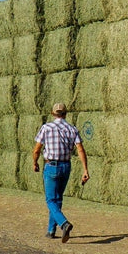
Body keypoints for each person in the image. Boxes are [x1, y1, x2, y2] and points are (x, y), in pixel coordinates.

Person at [32, 103, 90, 242]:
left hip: (51, 166)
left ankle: (64, 223)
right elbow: (80, 149)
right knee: (58, 198)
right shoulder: (72, 129)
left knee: (50, 199)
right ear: (65, 114)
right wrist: (85, 169)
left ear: (52, 114)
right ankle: (51, 230)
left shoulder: (46, 128)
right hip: (66, 167)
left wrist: (35, 162)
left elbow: (37, 149)